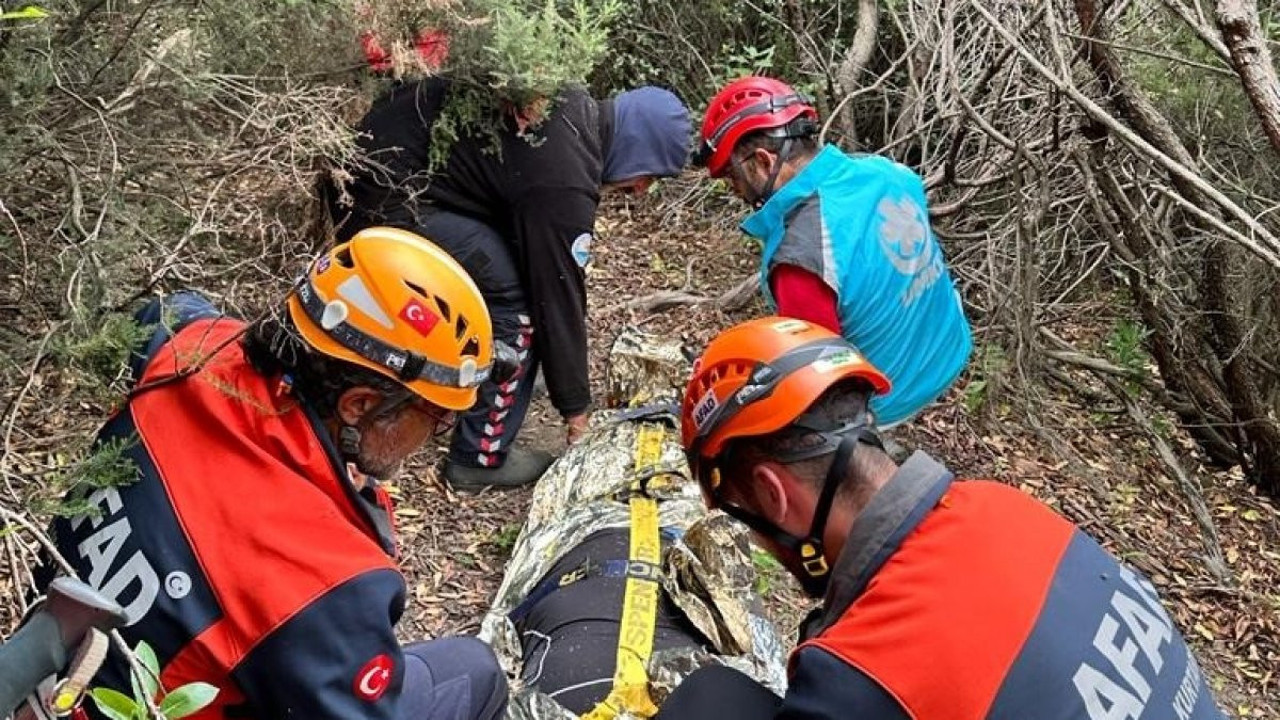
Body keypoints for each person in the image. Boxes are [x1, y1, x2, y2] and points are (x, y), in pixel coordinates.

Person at [35, 228, 511, 720]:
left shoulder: (188, 347)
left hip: (50, 679)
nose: (436, 434)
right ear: (359, 405)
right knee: (474, 670)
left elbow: (165, 311)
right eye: (437, 417)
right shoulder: (322, 579)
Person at [663, 316, 1225, 719]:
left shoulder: (861, 673)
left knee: (711, 701)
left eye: (745, 519)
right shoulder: (1004, 505)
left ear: (771, 492)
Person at [329, 77, 692, 491]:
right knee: (519, 298)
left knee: (513, 265)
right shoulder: (566, 180)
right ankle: (479, 456)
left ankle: (508, 371)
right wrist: (576, 411)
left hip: (372, 174)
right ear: (635, 147)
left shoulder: (571, 105)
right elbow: (557, 296)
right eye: (649, 175)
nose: (642, 190)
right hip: (384, 199)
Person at [693, 76, 972, 428]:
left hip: (890, 399)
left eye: (732, 176)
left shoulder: (801, 256)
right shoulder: (888, 172)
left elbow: (816, 376)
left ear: (764, 161)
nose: (734, 189)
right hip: (949, 349)